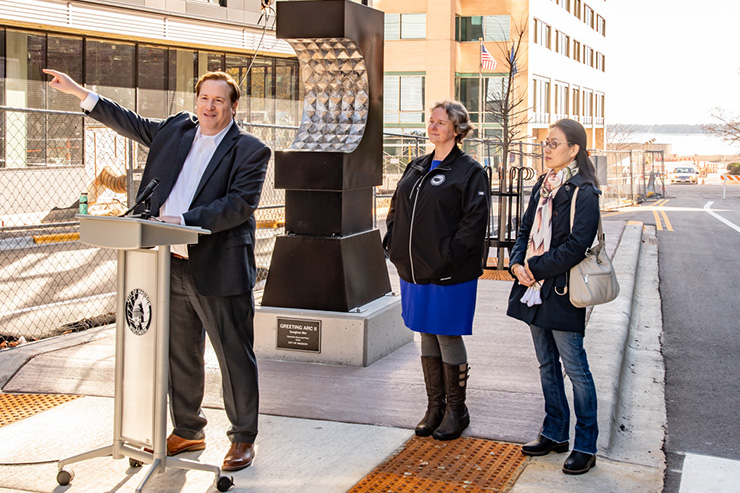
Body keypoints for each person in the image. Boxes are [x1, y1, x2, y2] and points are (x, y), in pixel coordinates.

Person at [43, 68, 270, 471]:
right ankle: (188, 429)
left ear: (234, 107)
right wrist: (79, 92)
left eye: (219, 100)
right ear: (195, 100)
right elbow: (129, 121)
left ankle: (243, 438)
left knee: (233, 355)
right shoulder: (175, 131)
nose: (209, 106)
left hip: (218, 266)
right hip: (168, 262)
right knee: (180, 353)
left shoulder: (250, 149)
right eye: (204, 98)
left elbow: (238, 205)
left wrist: (183, 220)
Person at [384, 100, 489, 441]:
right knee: (426, 333)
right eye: (431, 121)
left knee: (446, 333)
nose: (433, 127)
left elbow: (474, 223)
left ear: (457, 129)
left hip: (448, 271)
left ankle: (457, 411)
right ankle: (435, 408)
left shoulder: (469, 171)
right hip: (414, 269)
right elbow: (396, 207)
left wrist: (449, 256)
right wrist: (393, 243)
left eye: (440, 122)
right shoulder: (416, 166)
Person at [506, 118, 601, 475]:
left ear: (574, 150)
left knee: (575, 369)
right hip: (531, 287)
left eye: (554, 143)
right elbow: (523, 229)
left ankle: (586, 444)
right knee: (547, 365)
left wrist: (535, 267)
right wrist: (517, 264)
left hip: (560, 291)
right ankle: (555, 432)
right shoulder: (542, 186)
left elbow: (577, 246)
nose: (546, 149)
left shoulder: (584, 191)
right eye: (545, 143)